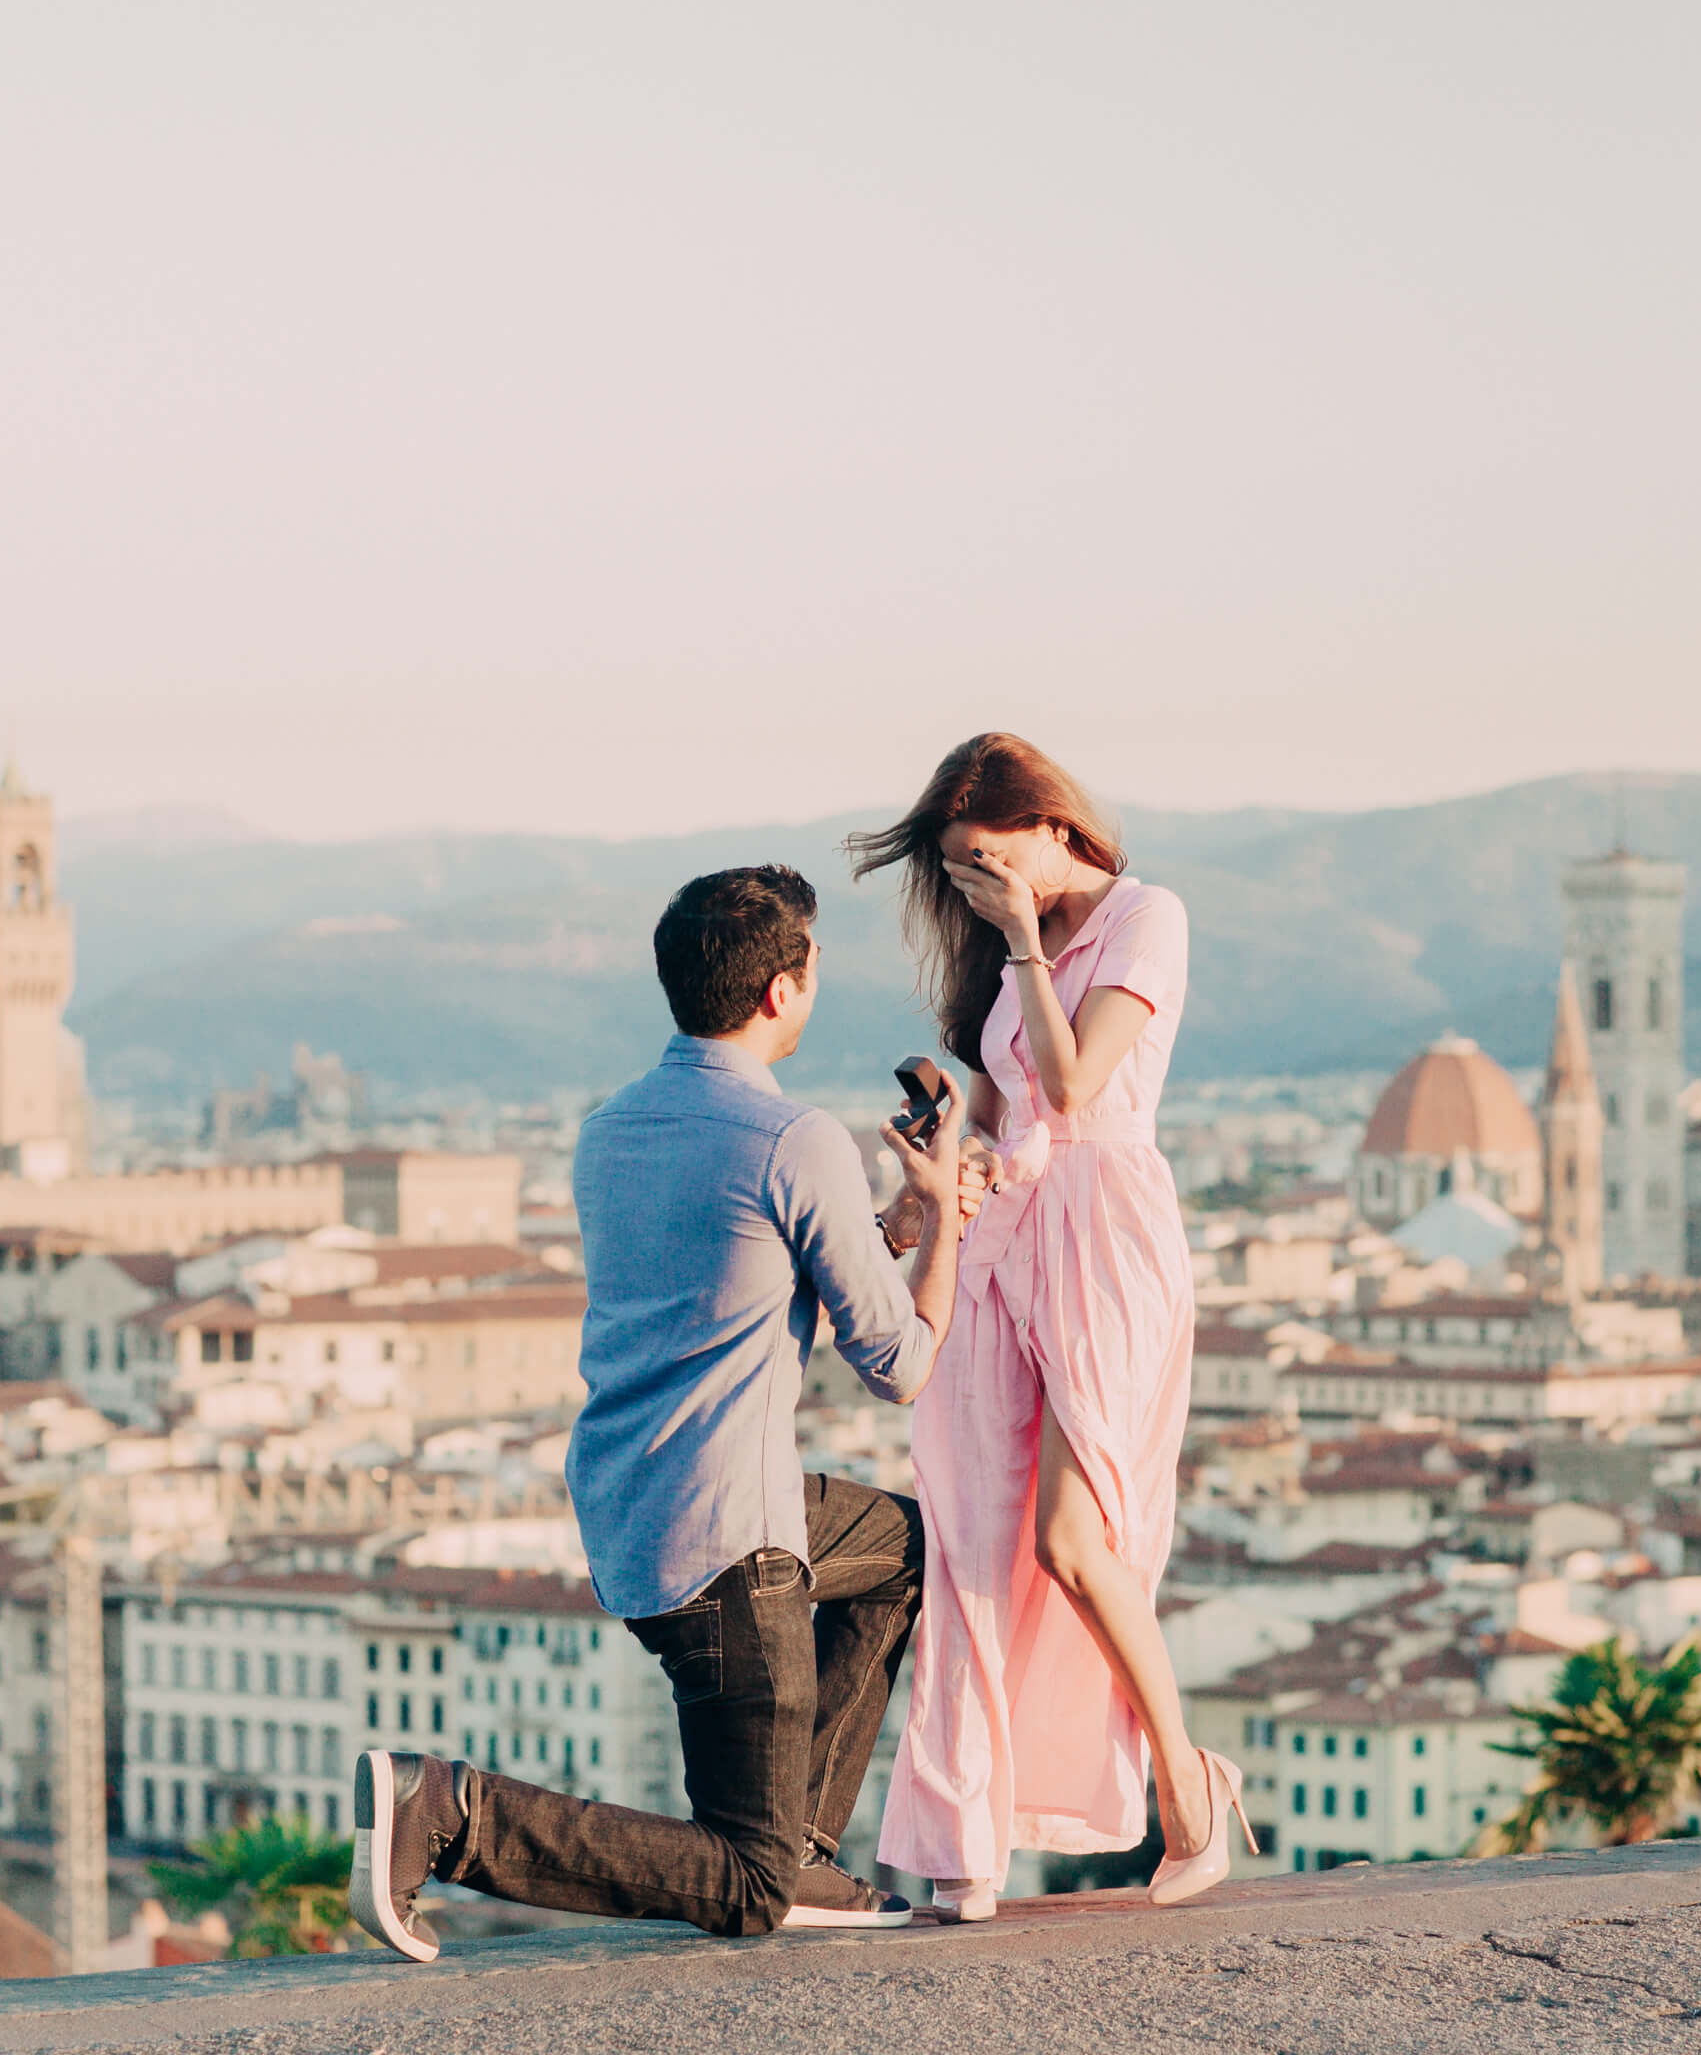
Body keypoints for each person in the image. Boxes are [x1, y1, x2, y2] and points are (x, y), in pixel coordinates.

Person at [349, 863, 982, 1955]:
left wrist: (891, 1229)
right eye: (814, 967)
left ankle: (803, 1849)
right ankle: (448, 1812)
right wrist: (945, 1222)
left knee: (911, 1547)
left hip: (636, 1503)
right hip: (733, 1536)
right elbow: (901, 1364)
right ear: (781, 989)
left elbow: (740, 1279)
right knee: (744, 1885)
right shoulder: (795, 1139)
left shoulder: (612, 1131)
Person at [856, 734, 1253, 1922]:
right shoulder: (996, 947)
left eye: (988, 856)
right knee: (970, 1532)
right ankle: (962, 1846)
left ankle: (1186, 1783)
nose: (977, 883)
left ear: (1052, 826)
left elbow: (1077, 1088)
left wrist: (1027, 942)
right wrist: (940, 1171)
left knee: (1074, 1539)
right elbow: (1000, 1114)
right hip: (1004, 1238)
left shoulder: (1146, 917)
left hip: (1107, 1236)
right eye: (959, 868)